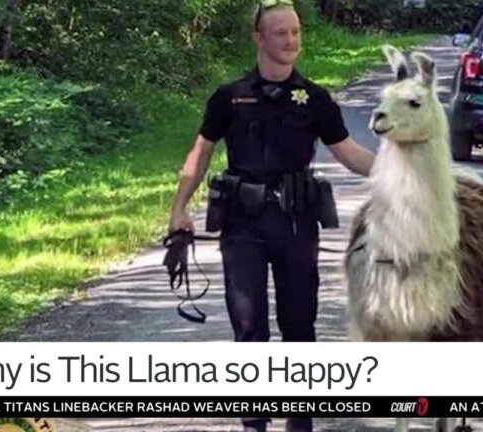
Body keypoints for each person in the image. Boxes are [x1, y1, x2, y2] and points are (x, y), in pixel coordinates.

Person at [168, 1, 375, 431]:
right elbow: (201, 152)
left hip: (296, 224)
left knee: (299, 326)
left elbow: (350, 153)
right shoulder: (230, 97)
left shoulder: (314, 99)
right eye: (280, 33)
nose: (291, 41)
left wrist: (404, 172)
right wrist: (178, 209)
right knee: (250, 330)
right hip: (243, 226)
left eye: (296, 32)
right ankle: (254, 425)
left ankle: (300, 425)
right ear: (259, 38)